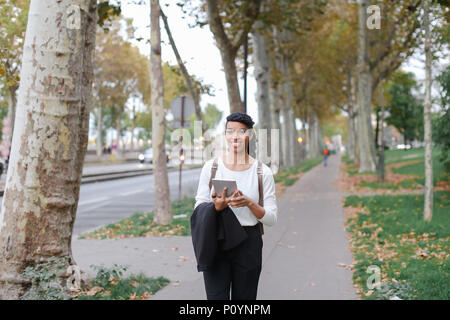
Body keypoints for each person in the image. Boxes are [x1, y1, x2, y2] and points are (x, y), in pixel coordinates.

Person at [194, 112, 278, 300]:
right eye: (230, 131)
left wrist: (249, 203)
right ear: (225, 134)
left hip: (249, 242)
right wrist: (216, 206)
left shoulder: (262, 172)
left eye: (241, 132)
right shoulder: (211, 167)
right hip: (217, 240)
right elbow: (199, 207)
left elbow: (271, 218)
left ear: (250, 135)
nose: (235, 137)